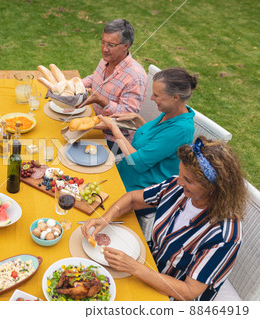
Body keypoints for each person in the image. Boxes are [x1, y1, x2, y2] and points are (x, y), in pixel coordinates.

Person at [82, 136, 247, 301]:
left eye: (188, 180)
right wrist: (105, 218)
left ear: (214, 188)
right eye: (181, 173)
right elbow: (132, 199)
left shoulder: (225, 235)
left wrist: (134, 267)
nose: (179, 182)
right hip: (148, 265)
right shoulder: (177, 186)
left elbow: (189, 291)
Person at [97, 67, 197, 192]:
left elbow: (136, 162)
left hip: (138, 191)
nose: (151, 98)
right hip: (123, 172)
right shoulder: (172, 111)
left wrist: (114, 129)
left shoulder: (180, 129)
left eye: (156, 95)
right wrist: (137, 120)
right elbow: (157, 140)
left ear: (175, 97)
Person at [81, 19, 148, 151]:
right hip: (93, 122)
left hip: (114, 140)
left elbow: (128, 119)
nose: (104, 49)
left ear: (125, 46)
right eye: (103, 42)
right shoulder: (107, 59)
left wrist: (102, 101)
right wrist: (76, 84)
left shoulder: (135, 77)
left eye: (111, 45)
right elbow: (95, 78)